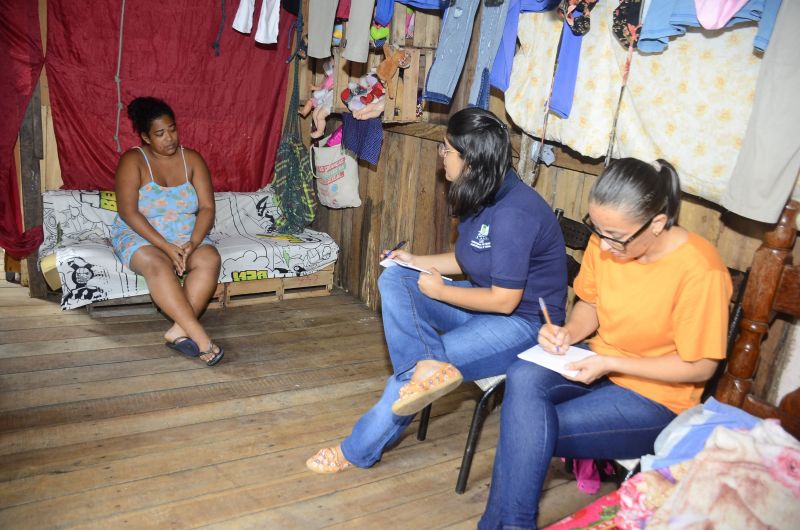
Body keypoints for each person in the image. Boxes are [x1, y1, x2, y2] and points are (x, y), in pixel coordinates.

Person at [306, 107, 568, 473]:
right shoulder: (484, 191)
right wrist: (413, 260)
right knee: (396, 277)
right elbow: (467, 261)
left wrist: (442, 292)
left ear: (471, 160)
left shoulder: (515, 213)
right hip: (484, 307)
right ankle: (426, 365)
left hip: (523, 327)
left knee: (409, 378)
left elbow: (505, 301)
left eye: (446, 150)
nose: (440, 156)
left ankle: (355, 450)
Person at [479, 158, 733, 529]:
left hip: (658, 397)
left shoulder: (700, 270)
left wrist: (613, 364)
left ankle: (505, 524)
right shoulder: (606, 241)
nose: (604, 244)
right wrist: (569, 333)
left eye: (615, 235)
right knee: (523, 374)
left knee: (526, 428)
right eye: (597, 229)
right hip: (602, 361)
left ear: (658, 223)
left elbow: (700, 366)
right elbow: (591, 305)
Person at [111, 97, 224, 366]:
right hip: (141, 234)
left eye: (172, 129)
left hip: (186, 235)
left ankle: (177, 331)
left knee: (210, 259)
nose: (170, 138)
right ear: (145, 137)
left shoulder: (192, 159)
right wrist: (165, 246)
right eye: (160, 133)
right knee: (159, 265)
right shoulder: (133, 160)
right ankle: (201, 338)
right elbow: (129, 212)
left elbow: (207, 207)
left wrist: (193, 243)